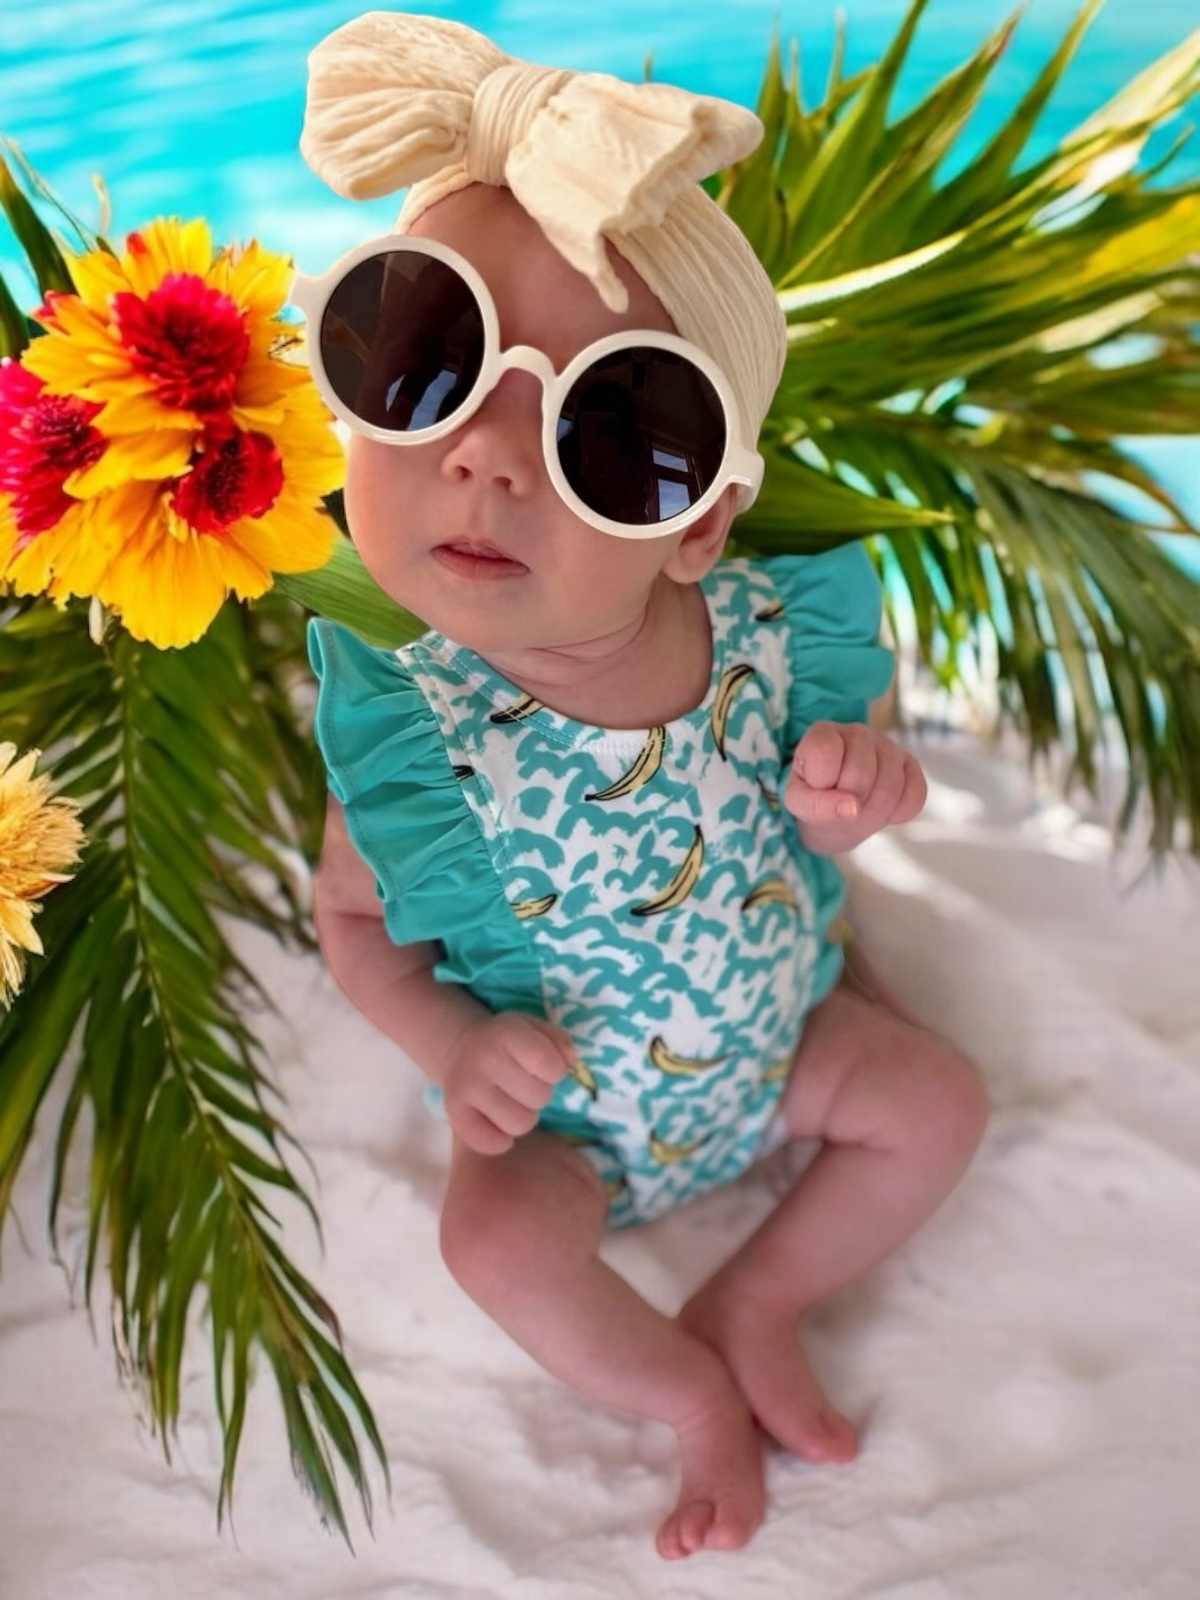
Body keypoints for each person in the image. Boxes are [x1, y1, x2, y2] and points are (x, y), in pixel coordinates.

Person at [297, 12, 989, 1561]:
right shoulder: (420, 736)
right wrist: (449, 1039)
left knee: (938, 1100)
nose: (487, 458)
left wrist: (866, 786)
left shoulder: (770, 633)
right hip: (573, 1129)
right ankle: (684, 1393)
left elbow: (853, 779)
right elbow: (354, 924)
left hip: (786, 1041)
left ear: (698, 524)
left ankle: (762, 1292)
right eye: (427, 363)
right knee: (493, 1242)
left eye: (610, 430)